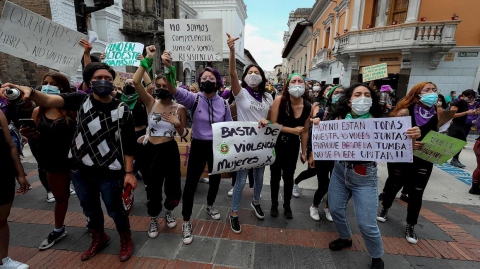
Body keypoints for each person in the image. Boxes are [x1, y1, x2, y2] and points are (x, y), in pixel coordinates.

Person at [3, 62, 138, 262]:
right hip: (81, 170)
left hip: (110, 170)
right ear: (89, 82)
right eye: (98, 78)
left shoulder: (122, 108)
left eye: (108, 79)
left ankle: (126, 239)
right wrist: (30, 91)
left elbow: (128, 144)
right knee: (89, 208)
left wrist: (129, 173)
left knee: (114, 208)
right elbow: (48, 99)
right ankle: (98, 237)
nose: (103, 82)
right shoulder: (80, 100)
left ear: (113, 82)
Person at [327, 83, 421, 269]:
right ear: (349, 101)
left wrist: (413, 136)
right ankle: (345, 238)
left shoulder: (381, 121)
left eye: (366, 95)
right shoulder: (338, 118)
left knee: (366, 224)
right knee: (336, 210)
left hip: (364, 176)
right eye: (357, 94)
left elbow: (399, 141)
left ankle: (377, 256)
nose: (362, 98)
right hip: (339, 171)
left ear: (372, 100)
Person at [161, 49, 232, 245]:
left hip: (217, 146)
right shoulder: (196, 98)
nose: (207, 80)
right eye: (204, 78)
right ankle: (186, 221)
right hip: (199, 145)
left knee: (216, 179)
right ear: (200, 83)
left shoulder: (225, 105)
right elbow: (174, 90)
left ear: (217, 82)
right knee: (190, 184)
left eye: (211, 77)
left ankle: (210, 205)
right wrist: (168, 70)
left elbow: (229, 128)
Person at [133, 46, 187, 239]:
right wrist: (148, 59)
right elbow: (136, 81)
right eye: (159, 86)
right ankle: (154, 217)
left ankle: (169, 211)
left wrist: (178, 123)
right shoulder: (150, 103)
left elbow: (183, 133)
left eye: (165, 86)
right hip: (151, 150)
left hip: (170, 149)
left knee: (173, 186)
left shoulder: (179, 107)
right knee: (152, 186)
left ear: (171, 86)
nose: (162, 89)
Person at [19, 72, 77, 250]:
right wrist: (29, 135)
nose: (47, 85)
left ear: (62, 87)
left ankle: (94, 226)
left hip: (75, 160)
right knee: (60, 198)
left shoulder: (72, 108)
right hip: (52, 161)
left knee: (86, 197)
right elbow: (39, 138)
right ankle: (58, 229)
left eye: (53, 83)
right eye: (45, 82)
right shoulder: (38, 111)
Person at [378, 82, 441, 245]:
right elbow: (389, 136)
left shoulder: (436, 112)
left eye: (434, 90)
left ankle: (411, 225)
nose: (431, 93)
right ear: (416, 93)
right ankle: (385, 208)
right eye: (426, 90)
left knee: (417, 192)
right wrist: (407, 144)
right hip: (401, 158)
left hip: (424, 159)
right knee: (394, 184)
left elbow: (435, 134)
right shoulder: (404, 111)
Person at [227, 33, 273, 233]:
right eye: (250, 72)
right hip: (244, 144)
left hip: (261, 144)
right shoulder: (241, 93)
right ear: (246, 77)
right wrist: (231, 51)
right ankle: (234, 213)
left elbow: (272, 119)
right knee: (241, 181)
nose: (253, 74)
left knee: (260, 178)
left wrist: (267, 121)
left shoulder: (268, 96)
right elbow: (232, 75)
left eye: (257, 72)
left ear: (261, 77)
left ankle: (256, 202)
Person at [295, 85, 344, 222]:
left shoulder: (348, 114)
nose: (339, 95)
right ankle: (315, 206)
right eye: (337, 93)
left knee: (335, 185)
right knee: (324, 184)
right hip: (323, 154)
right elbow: (313, 131)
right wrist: (310, 154)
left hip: (340, 156)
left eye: (342, 93)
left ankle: (328, 207)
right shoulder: (323, 112)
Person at [270, 73, 311, 219]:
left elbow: (305, 131)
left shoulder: (308, 106)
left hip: (293, 146)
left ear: (305, 85)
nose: (297, 83)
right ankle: (274, 203)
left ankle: (287, 204)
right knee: (275, 176)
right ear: (288, 85)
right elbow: (272, 123)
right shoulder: (280, 101)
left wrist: (304, 152)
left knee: (289, 176)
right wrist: (291, 130)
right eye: (293, 81)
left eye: (300, 81)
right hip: (277, 144)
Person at [0, 110, 30, 269]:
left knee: (2, 219)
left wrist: (20, 174)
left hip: (3, 173)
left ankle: (3, 261)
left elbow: (11, 146)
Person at [448, 89, 477, 168]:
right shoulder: (456, 102)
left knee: (461, 142)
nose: (470, 99)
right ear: (463, 95)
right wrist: (466, 113)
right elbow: (452, 115)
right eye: (469, 97)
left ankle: (455, 159)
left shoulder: (465, 103)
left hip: (462, 125)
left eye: (472, 98)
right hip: (455, 125)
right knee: (452, 142)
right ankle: (453, 158)